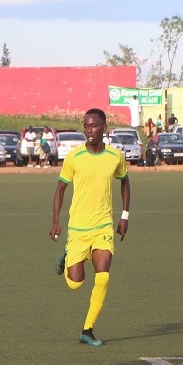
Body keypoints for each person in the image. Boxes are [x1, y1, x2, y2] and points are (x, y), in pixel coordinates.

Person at [51, 107, 130, 347]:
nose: (89, 130)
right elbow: (60, 190)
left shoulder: (115, 156)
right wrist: (56, 221)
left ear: (104, 128)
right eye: (86, 126)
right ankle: (68, 256)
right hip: (78, 228)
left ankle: (88, 329)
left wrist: (124, 216)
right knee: (75, 283)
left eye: (94, 126)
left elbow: (125, 182)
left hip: (103, 226)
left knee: (103, 277)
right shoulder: (74, 157)